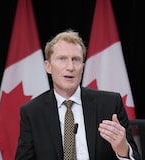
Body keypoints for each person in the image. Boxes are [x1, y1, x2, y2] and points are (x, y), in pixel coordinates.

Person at [15, 29, 141, 160]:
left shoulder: (110, 104)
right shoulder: (32, 112)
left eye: (76, 60)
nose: (70, 67)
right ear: (48, 66)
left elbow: (135, 157)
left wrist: (123, 150)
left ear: (82, 66)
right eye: (62, 59)